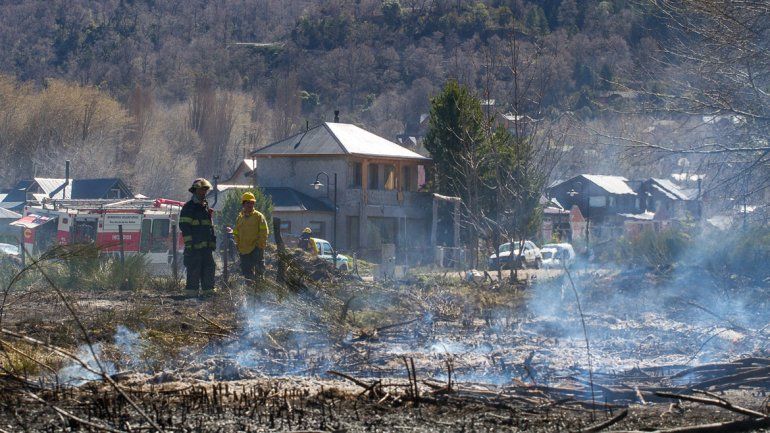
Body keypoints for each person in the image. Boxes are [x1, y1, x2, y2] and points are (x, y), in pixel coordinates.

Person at [179, 178, 216, 292]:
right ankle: (191, 298)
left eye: (205, 190)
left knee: (209, 270)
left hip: (206, 249)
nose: (204, 193)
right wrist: (189, 244)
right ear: (195, 191)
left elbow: (209, 227)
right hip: (194, 248)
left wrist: (212, 243)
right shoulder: (189, 207)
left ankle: (208, 296)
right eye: (201, 190)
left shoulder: (205, 208)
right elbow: (184, 226)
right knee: (194, 271)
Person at [234, 192, 269, 280]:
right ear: (243, 204)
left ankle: (260, 289)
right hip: (243, 250)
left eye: (252, 203)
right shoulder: (239, 217)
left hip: (256, 248)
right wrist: (237, 244)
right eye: (248, 203)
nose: (250, 205)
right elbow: (236, 232)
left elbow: (264, 232)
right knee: (246, 272)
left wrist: (259, 245)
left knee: (259, 271)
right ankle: (250, 290)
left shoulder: (259, 216)